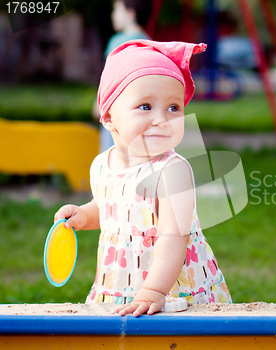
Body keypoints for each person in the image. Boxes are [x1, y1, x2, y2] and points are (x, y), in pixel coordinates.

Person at [55, 40, 231, 317]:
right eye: (146, 106)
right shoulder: (103, 164)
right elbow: (111, 209)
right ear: (110, 117)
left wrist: (154, 291)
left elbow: (174, 237)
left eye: (174, 108)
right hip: (121, 283)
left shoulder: (172, 171)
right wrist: (83, 215)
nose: (162, 119)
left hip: (172, 291)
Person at [93, 0, 152, 153]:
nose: (113, 16)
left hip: (115, 112)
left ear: (130, 14)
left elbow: (110, 79)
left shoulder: (117, 42)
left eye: (117, 11)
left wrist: (98, 104)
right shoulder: (149, 43)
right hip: (139, 113)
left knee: (110, 156)